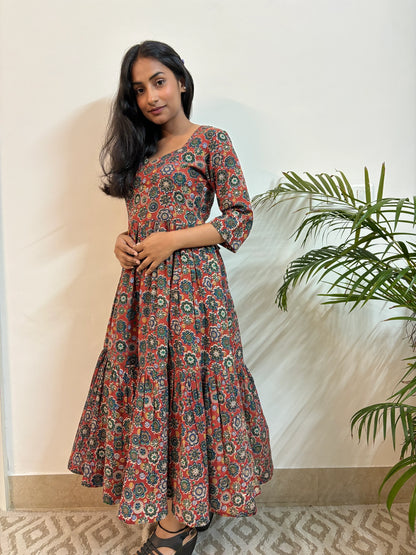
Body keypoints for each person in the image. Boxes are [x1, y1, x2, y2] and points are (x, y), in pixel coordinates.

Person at [68, 40, 273, 555]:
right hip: (140, 296)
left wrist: (175, 239)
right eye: (139, 89)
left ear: (181, 81)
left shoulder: (212, 142)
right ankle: (174, 504)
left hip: (195, 295)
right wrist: (123, 243)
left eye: (158, 81)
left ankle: (180, 521)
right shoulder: (139, 152)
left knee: (191, 393)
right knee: (154, 397)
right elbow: (140, 223)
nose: (151, 96)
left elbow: (240, 218)